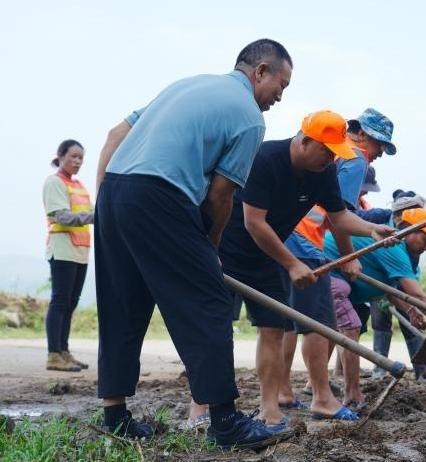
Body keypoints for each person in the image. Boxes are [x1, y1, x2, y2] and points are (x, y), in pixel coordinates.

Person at [93, 39, 294, 450]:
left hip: (115, 191)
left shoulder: (186, 85)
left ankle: (115, 415)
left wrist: (106, 204)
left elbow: (116, 134)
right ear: (260, 72)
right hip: (161, 196)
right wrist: (210, 251)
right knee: (210, 302)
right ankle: (225, 422)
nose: (279, 96)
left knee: (122, 304)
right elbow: (220, 196)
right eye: (281, 84)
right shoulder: (250, 118)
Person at [211, 110, 396, 426]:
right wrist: (293, 263)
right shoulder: (265, 158)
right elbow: (253, 222)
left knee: (273, 328)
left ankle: (271, 409)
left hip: (270, 252)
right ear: (305, 140)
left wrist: (371, 230)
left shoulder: (323, 171)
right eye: (325, 151)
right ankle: (201, 407)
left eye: (332, 153)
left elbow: (339, 217)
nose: (329, 159)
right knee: (214, 329)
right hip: (230, 249)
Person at [280, 109, 398, 404]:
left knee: (288, 320)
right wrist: (348, 257)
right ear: (361, 134)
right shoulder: (355, 158)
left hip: (286, 234)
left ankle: (284, 390)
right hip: (307, 240)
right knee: (318, 322)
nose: (380, 153)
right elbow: (338, 217)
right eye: (379, 144)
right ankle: (325, 396)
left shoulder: (329, 151)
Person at [324, 208, 426, 406]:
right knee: (350, 328)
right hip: (325, 267)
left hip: (335, 275)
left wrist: (410, 310)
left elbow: (390, 290)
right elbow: (416, 294)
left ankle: (316, 385)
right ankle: (352, 395)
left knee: (333, 330)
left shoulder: (400, 252)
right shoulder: (395, 248)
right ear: (411, 231)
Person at [42, 139, 94, 372]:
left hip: (80, 250)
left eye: (81, 158)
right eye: (73, 156)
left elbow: (90, 213)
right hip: (62, 249)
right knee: (60, 301)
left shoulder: (79, 185)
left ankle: (64, 351)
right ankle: (53, 354)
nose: (77, 161)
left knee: (71, 303)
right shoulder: (54, 183)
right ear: (60, 156)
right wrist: (95, 216)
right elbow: (61, 216)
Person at [369, 189, 426, 381]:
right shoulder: (381, 226)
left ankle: (421, 370)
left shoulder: (416, 236)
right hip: (379, 279)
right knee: (380, 320)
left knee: (412, 319)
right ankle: (380, 369)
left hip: (403, 280)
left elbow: (410, 271)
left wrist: (410, 303)